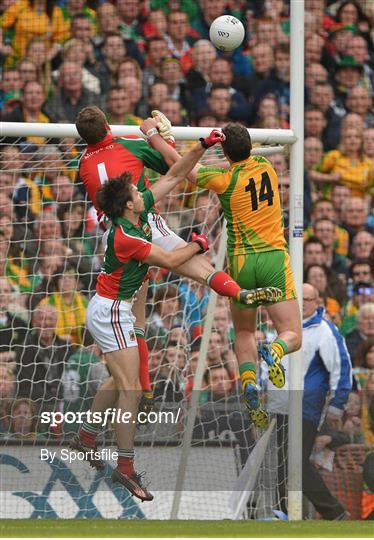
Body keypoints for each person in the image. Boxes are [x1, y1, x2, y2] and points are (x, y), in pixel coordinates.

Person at [71, 131, 280, 501]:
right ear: (130, 205)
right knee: (131, 388)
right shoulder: (127, 237)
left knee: (122, 382)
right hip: (111, 313)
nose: (142, 191)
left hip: (112, 309)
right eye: (136, 192)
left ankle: (87, 435)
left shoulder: (137, 215)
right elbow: (169, 261)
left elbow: (173, 175)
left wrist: (201, 145)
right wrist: (198, 244)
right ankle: (125, 467)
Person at [153, 120, 301, 427]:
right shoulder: (266, 165)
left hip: (242, 262)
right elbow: (243, 151)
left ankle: (248, 383)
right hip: (274, 257)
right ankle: (275, 350)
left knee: (244, 332)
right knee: (293, 335)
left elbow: (182, 169)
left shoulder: (222, 178)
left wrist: (157, 138)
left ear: (223, 149)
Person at [269, 283, 352, 520]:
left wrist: (338, 403)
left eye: (308, 298)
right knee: (285, 462)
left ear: (318, 302)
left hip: (307, 406)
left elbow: (342, 368)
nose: (303, 303)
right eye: (299, 298)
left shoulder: (325, 331)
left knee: (296, 462)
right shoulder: (285, 329)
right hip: (282, 404)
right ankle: (284, 511)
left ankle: (333, 511)